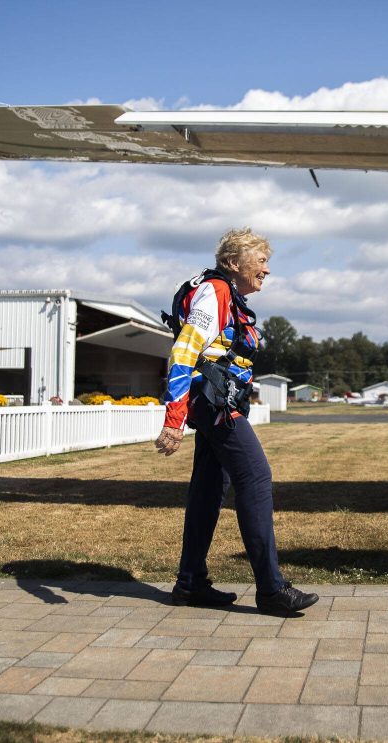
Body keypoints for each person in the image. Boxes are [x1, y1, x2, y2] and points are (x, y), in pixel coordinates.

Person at [154, 227, 319, 615]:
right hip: (212, 404)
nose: (267, 270)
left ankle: (190, 583)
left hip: (214, 401)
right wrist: (173, 419)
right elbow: (183, 351)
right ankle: (271, 589)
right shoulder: (216, 293)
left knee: (209, 489)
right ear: (232, 263)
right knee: (256, 477)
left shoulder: (224, 294)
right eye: (260, 261)